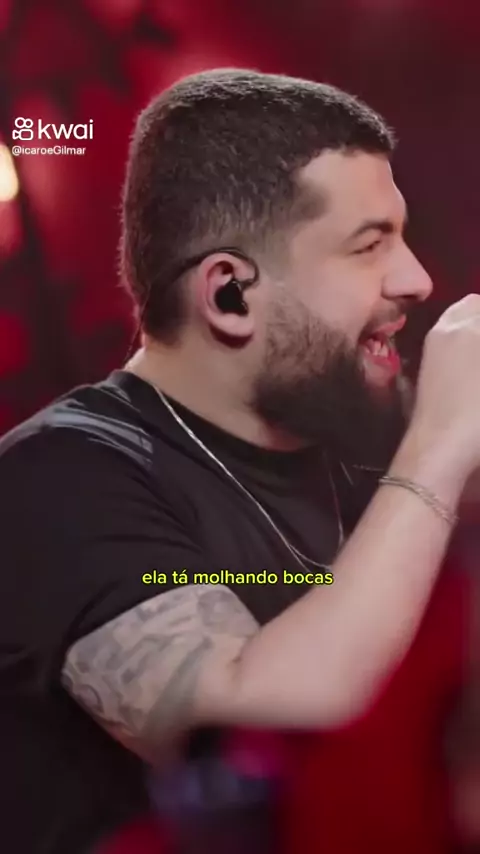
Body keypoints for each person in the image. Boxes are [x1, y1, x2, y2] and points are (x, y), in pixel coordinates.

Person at [1, 68, 480, 854]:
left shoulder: (357, 452)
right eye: (369, 246)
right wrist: (441, 446)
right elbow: (266, 728)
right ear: (230, 295)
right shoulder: (54, 481)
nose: (417, 279)